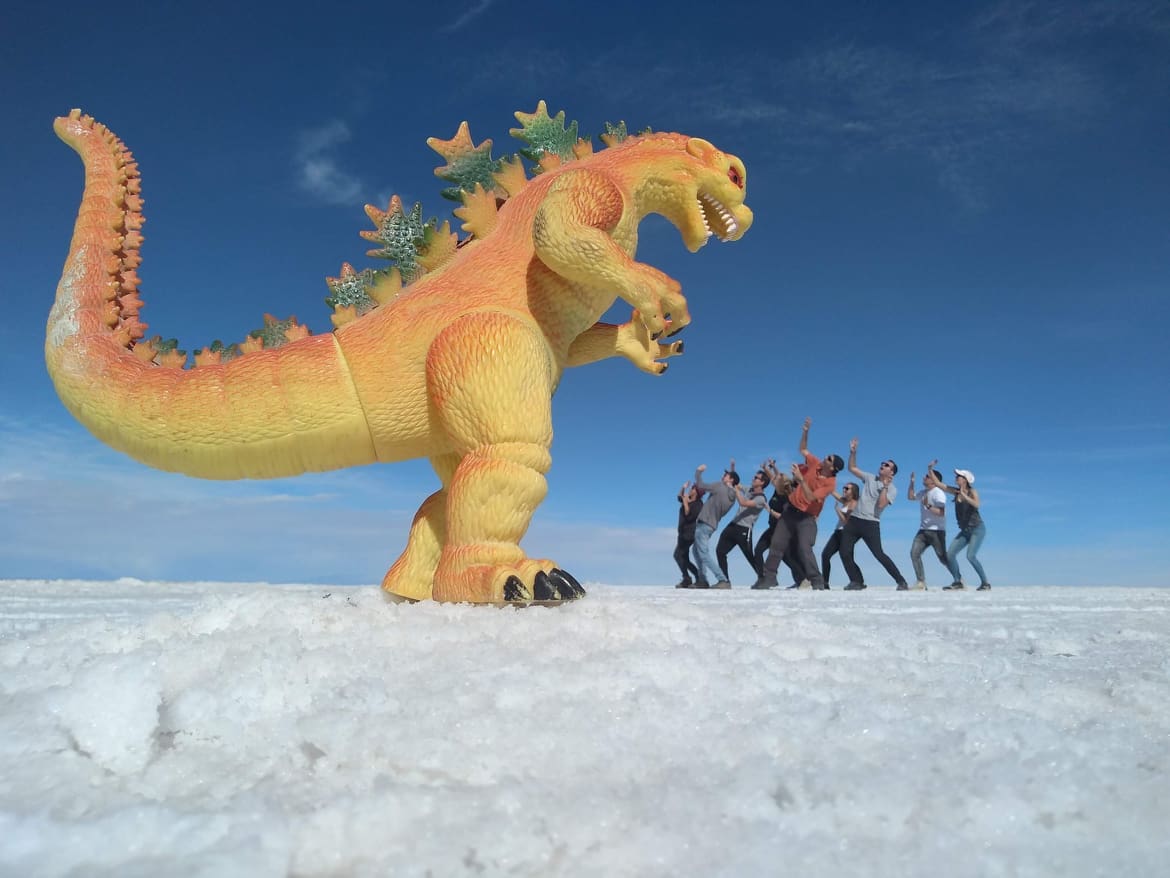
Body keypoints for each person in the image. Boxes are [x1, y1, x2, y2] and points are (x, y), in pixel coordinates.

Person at [752, 418, 843, 590]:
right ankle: (769, 578)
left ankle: (817, 581)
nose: (825, 457)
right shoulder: (816, 464)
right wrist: (806, 431)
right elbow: (803, 449)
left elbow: (812, 498)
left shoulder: (830, 483)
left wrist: (801, 481)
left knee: (804, 548)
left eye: (829, 459)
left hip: (806, 517)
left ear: (833, 468)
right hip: (790, 512)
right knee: (777, 545)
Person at [839, 438, 910, 591]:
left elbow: (881, 505)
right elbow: (852, 468)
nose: (882, 465)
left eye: (886, 465)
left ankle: (901, 581)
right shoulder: (870, 477)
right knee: (844, 552)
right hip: (854, 520)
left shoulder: (892, 489)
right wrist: (853, 452)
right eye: (882, 463)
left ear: (891, 472)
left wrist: (884, 487)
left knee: (879, 554)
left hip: (870, 524)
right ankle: (857, 581)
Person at [940, 468, 991, 591]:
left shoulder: (972, 491)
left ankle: (985, 583)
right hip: (965, 531)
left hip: (977, 529)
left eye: (959, 476)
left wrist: (965, 496)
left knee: (970, 556)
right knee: (950, 554)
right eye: (957, 476)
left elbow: (977, 504)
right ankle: (958, 582)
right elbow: (939, 485)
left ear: (965, 480)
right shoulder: (956, 492)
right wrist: (930, 470)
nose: (956, 477)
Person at [714, 470, 768, 587]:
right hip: (733, 525)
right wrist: (730, 479)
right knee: (720, 551)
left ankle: (764, 578)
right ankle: (725, 581)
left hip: (744, 530)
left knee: (750, 556)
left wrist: (736, 490)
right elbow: (736, 484)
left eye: (756, 478)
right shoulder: (749, 489)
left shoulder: (761, 499)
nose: (753, 478)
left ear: (762, 482)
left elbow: (743, 502)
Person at [756, 464, 806, 588]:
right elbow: (774, 477)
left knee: (788, 556)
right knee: (758, 551)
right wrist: (769, 468)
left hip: (782, 529)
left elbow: (785, 517)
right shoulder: (776, 489)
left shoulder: (789, 496)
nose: (775, 480)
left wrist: (770, 511)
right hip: (772, 527)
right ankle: (764, 579)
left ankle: (803, 579)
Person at [691, 459, 739, 588]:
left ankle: (722, 579)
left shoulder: (720, 486)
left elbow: (700, 486)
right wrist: (732, 470)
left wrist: (698, 472)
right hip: (711, 525)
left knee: (703, 553)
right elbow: (733, 481)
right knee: (696, 551)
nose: (723, 476)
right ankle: (702, 580)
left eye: (726, 475)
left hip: (704, 523)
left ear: (730, 480)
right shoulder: (732, 495)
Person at [906, 463, 948, 590]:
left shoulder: (938, 493)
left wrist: (928, 506)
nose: (924, 477)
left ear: (935, 481)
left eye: (927, 476)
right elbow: (911, 497)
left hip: (937, 532)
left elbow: (941, 513)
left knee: (943, 558)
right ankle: (921, 582)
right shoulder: (924, 492)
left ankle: (958, 579)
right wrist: (912, 482)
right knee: (914, 553)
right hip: (923, 530)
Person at [819, 482, 859, 587]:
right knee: (825, 555)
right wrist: (826, 484)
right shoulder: (844, 501)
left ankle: (857, 580)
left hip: (846, 533)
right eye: (844, 488)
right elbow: (833, 492)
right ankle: (825, 582)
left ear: (853, 491)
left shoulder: (854, 503)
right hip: (837, 532)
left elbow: (846, 521)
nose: (844, 490)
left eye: (847, 488)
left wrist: (837, 510)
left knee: (847, 557)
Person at [673, 481, 703, 588]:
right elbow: (679, 497)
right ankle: (694, 576)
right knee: (684, 558)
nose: (691, 489)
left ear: (697, 492)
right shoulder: (688, 499)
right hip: (682, 533)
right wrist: (683, 488)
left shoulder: (698, 504)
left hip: (689, 534)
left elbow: (689, 515)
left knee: (677, 555)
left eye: (693, 488)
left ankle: (688, 577)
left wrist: (685, 502)